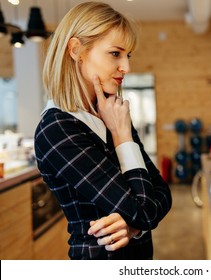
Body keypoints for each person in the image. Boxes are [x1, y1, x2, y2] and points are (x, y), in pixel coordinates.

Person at [34, 1, 172, 260]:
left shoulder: (109, 113)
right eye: (115, 53)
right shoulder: (57, 129)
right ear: (77, 50)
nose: (126, 67)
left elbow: (162, 194)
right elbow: (145, 211)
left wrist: (133, 228)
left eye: (127, 55)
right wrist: (122, 137)